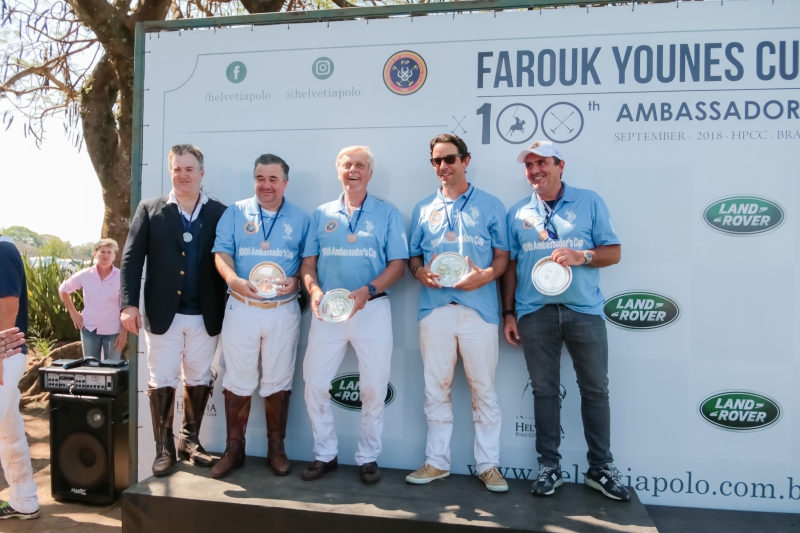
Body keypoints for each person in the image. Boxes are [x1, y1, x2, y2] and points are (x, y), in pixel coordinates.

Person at [500, 140, 629, 501]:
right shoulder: (517, 213)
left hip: (583, 310)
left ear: (560, 165)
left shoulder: (589, 201)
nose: (535, 170)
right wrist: (508, 312)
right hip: (533, 312)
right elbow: (510, 267)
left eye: (542, 163)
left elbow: (613, 252)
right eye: (529, 165)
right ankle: (549, 467)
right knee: (544, 392)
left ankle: (601, 468)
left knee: (595, 391)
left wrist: (582, 255)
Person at [406, 133, 510, 493]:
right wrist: (419, 272)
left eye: (449, 159)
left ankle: (489, 465)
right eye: (436, 161)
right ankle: (437, 463)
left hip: (479, 310)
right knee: (437, 388)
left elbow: (503, 257)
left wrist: (487, 275)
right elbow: (413, 258)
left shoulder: (492, 205)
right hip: (434, 310)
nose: (443, 166)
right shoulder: (422, 208)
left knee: (485, 390)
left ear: (466, 161)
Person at [299, 145, 408, 485]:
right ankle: (325, 454)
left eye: (360, 165)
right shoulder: (321, 214)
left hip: (371, 309)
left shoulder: (387, 213)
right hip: (328, 312)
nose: (353, 170)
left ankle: (368, 457)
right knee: (314, 385)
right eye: (347, 165)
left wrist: (369, 290)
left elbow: (398, 265)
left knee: (374, 387)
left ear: (370, 173)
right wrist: (314, 291)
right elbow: (308, 264)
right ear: (338, 171)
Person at [120, 144, 228, 476]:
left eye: (189, 169)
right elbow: (131, 259)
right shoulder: (149, 209)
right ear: (171, 172)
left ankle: (189, 441)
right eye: (177, 169)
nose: (183, 175)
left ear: (202, 173)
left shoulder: (220, 213)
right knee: (161, 379)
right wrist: (128, 305)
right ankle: (163, 448)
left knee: (198, 377)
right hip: (162, 314)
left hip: (205, 314)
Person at [210, 154, 310, 478]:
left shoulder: (301, 217)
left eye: (272, 179)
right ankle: (234, 449)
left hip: (283, 310)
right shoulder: (234, 212)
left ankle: (276, 448)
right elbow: (222, 253)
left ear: (285, 182)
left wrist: (297, 280)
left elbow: (308, 262)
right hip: (242, 308)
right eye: (259, 178)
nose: (265, 185)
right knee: (237, 380)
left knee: (279, 381)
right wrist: (232, 278)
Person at [0, 234, 40, 520]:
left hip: (5, 355)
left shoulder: (2, 250)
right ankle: (24, 500)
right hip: (7, 356)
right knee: (9, 431)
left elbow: (8, 308)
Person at [59, 238, 126, 360]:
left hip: (113, 331)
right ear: (95, 254)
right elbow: (63, 290)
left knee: (112, 370)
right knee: (91, 368)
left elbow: (126, 306)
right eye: (102, 252)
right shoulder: (85, 275)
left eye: (109, 252)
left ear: (114, 256)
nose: (105, 255)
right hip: (89, 329)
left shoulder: (121, 277)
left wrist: (124, 333)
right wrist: (74, 313)